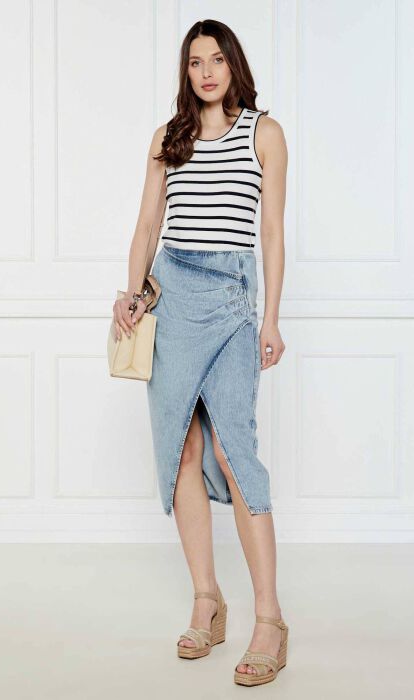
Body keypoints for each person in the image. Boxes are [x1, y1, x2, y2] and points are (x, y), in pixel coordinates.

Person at [113, 19, 288, 687]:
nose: (207, 72)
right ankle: (207, 601)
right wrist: (133, 294)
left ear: (233, 64)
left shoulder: (263, 133)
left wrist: (270, 319)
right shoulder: (169, 137)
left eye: (217, 59)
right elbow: (147, 224)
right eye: (195, 62)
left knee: (234, 452)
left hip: (232, 300)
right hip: (172, 295)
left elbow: (271, 232)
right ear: (185, 72)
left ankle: (270, 619)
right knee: (182, 448)